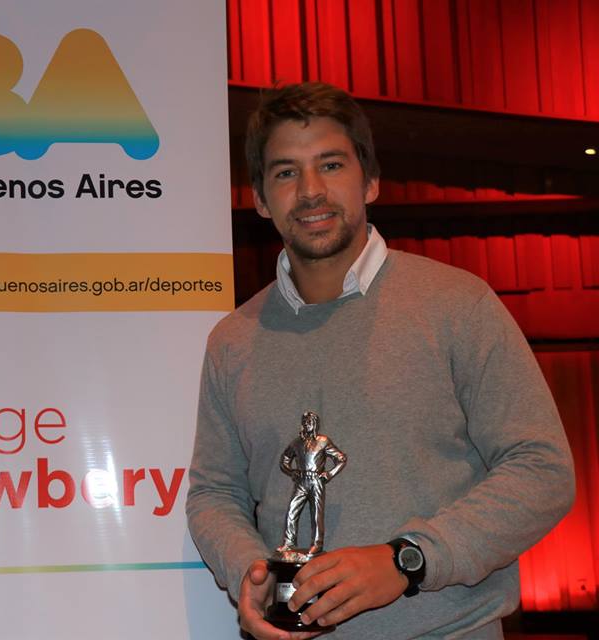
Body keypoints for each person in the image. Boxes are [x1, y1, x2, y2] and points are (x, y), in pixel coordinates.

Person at [185, 82, 575, 639]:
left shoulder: (458, 305)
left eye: (331, 165)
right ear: (261, 199)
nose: (311, 191)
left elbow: (541, 469)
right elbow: (214, 493)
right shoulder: (232, 341)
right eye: (286, 172)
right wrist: (249, 571)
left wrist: (408, 559)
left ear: (370, 180)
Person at [277, 411, 347, 556]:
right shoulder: (296, 442)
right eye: (304, 422)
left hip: (316, 481)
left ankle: (317, 544)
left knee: (316, 514)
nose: (306, 424)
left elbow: (341, 458)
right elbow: (284, 459)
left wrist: (329, 473)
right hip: (301, 481)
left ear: (315, 424)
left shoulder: (323, 441)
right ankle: (288, 543)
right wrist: (291, 471)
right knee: (292, 511)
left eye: (309, 422)